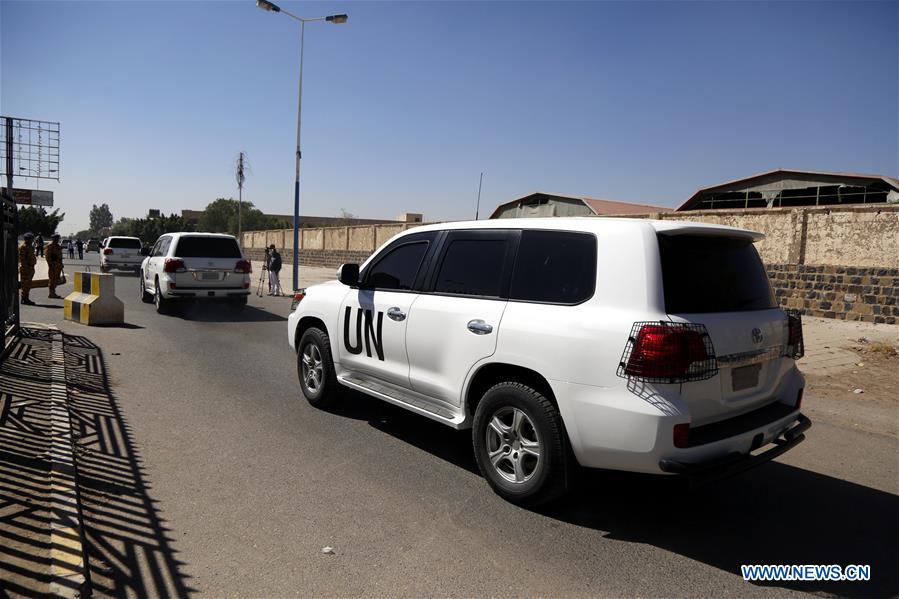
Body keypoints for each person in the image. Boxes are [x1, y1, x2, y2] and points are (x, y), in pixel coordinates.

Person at [19, 232, 37, 305]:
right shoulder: (23, 247)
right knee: (25, 284)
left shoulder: (29, 246)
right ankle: (24, 299)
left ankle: (26, 298)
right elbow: (22, 259)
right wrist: (26, 268)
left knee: (28, 284)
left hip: (30, 268)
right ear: (27, 239)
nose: (32, 240)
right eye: (31, 239)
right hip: (26, 269)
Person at [46, 233, 64, 299]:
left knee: (57, 279)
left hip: (58, 265)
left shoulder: (58, 246)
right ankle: (51, 293)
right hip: (53, 265)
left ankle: (53, 292)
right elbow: (47, 256)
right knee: (52, 279)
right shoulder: (50, 246)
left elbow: (60, 256)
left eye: (58, 238)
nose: (57, 239)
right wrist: (51, 264)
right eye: (56, 238)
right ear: (53, 239)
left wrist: (61, 264)